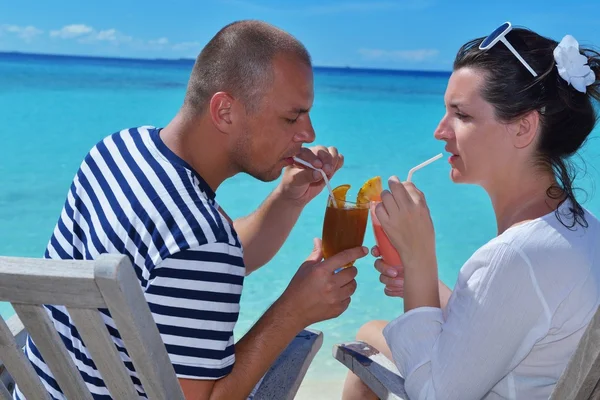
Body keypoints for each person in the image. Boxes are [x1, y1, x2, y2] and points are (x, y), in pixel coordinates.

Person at [17, 20, 368, 400]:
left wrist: (288, 200)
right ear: (225, 111)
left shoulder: (116, 151)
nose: (309, 133)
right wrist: (293, 311)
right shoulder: (203, 243)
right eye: (291, 117)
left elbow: (194, 264)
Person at [343, 22, 600, 400]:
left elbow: (433, 395)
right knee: (373, 330)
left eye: (461, 115)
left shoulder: (517, 256)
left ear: (523, 128)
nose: (440, 130)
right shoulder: (583, 230)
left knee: (366, 339)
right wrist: (423, 282)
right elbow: (514, 313)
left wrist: (418, 256)